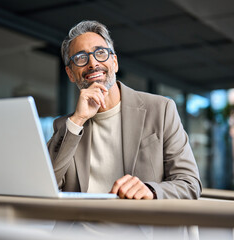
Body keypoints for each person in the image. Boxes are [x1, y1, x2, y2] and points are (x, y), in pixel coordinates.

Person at [47, 20, 202, 200]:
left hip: (138, 224)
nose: (92, 63)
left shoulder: (161, 110)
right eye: (81, 58)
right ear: (70, 73)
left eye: (101, 53)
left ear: (114, 62)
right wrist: (78, 119)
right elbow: (46, 184)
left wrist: (150, 191)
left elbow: (189, 183)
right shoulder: (67, 127)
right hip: (82, 225)